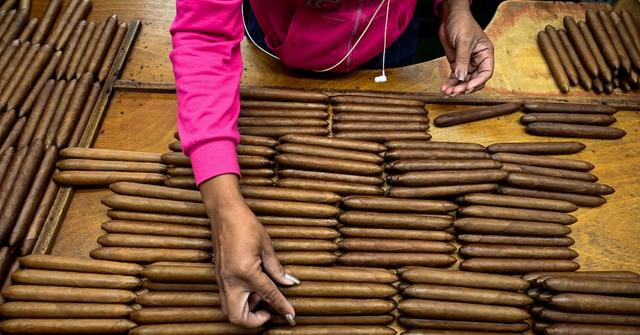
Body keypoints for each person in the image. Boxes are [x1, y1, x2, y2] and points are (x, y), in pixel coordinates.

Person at [169, 0, 494, 329]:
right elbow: (204, 36)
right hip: (278, 51)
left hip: (387, 45)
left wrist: (455, 7)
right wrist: (223, 207)